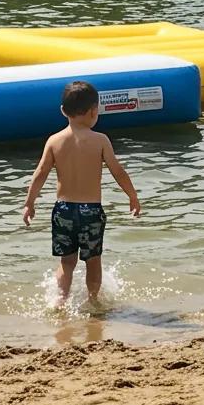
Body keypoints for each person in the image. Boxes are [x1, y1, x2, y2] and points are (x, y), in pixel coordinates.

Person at [22, 80, 142, 304]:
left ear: (62, 111)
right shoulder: (100, 140)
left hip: (63, 210)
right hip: (91, 211)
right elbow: (118, 171)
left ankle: (59, 302)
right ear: (94, 111)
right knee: (93, 260)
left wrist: (30, 202)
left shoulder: (54, 141)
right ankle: (93, 301)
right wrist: (132, 196)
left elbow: (40, 173)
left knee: (66, 263)